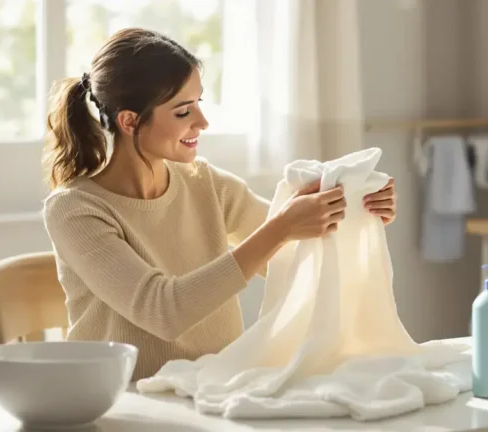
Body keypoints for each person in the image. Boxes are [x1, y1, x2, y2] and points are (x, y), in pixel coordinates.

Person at [42, 28, 398, 381]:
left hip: (214, 392)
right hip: (124, 402)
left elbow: (293, 260)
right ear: (130, 121)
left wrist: (354, 210)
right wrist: (281, 228)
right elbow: (163, 310)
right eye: (183, 111)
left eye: (199, 104)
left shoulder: (204, 182)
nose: (202, 122)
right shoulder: (75, 210)